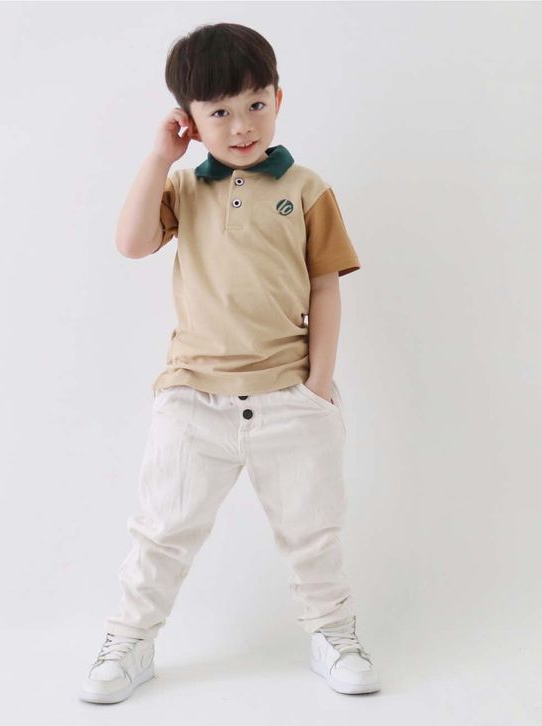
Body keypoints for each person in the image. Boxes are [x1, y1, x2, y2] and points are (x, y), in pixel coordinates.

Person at [79, 22, 381, 704]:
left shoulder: (306, 188)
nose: (241, 125)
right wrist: (159, 158)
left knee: (313, 533)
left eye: (255, 104)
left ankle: (334, 633)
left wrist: (318, 384)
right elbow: (131, 243)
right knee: (161, 531)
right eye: (218, 112)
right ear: (189, 119)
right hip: (194, 396)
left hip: (289, 396)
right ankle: (130, 640)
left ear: (278, 99)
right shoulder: (184, 188)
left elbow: (325, 285)